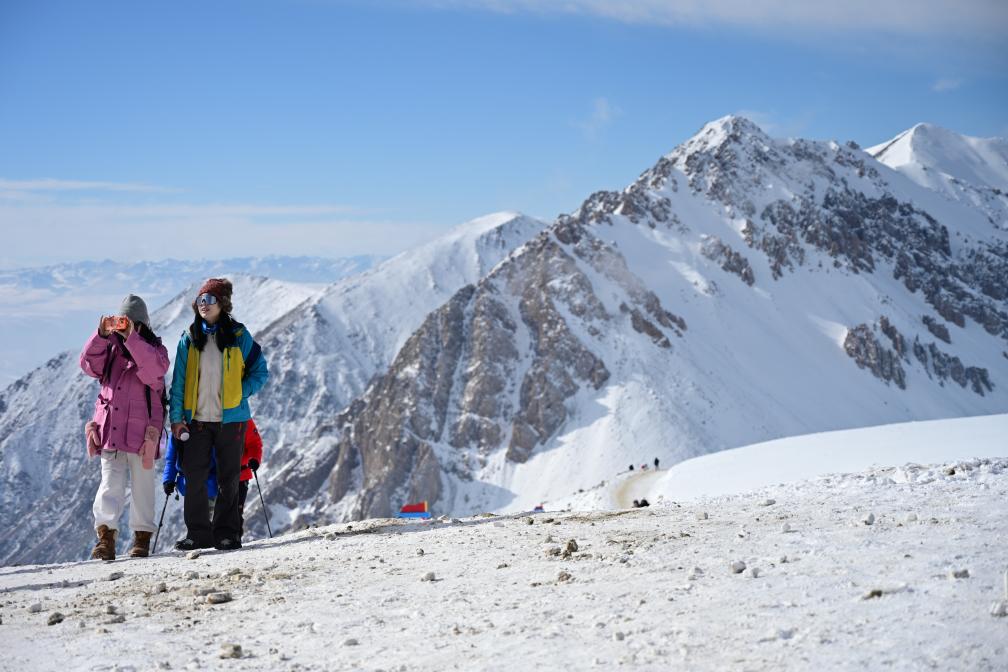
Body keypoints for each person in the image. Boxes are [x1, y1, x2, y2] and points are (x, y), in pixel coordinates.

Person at [169, 279, 268, 552]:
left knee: (229, 479)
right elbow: (178, 383)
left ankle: (227, 534)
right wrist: (176, 419)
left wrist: (240, 392)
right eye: (200, 300)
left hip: (232, 420)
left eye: (210, 299)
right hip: (197, 421)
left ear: (222, 303)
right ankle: (198, 534)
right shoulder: (189, 339)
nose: (204, 304)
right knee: (194, 477)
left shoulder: (238, 336)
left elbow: (260, 372)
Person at [80, 295, 169, 560]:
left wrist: (132, 339)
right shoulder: (110, 350)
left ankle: (141, 538)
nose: (123, 326)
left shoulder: (156, 352)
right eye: (120, 321)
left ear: (141, 324)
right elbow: (88, 364)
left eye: (129, 322)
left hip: (143, 435)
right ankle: (105, 538)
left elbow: (153, 371)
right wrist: (100, 335)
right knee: (109, 486)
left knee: (143, 489)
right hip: (111, 431)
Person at [161, 434, 219, 515]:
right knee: (195, 519)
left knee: (200, 519)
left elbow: (220, 460)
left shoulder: (211, 432)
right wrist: (167, 480)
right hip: (196, 487)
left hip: (205, 488)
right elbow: (171, 461)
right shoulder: (176, 433)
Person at [238, 417, 263, 538]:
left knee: (236, 511)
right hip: (216, 475)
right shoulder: (211, 416)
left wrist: (255, 459)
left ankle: (233, 539)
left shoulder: (243, 418)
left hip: (241, 475)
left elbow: (254, 443)